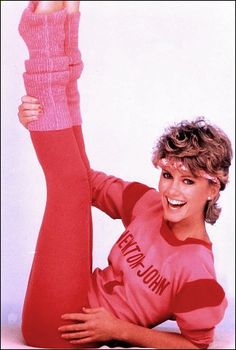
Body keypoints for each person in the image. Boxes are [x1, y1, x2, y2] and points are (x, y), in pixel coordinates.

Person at [17, 1, 232, 349]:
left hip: (63, 332)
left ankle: (41, 35)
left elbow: (196, 345)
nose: (172, 190)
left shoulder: (197, 270)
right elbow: (83, 176)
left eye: (188, 181)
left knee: (68, 187)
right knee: (75, 181)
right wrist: (36, 120)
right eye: (167, 175)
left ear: (214, 188)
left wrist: (118, 330)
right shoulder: (148, 205)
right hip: (70, 296)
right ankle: (63, 24)